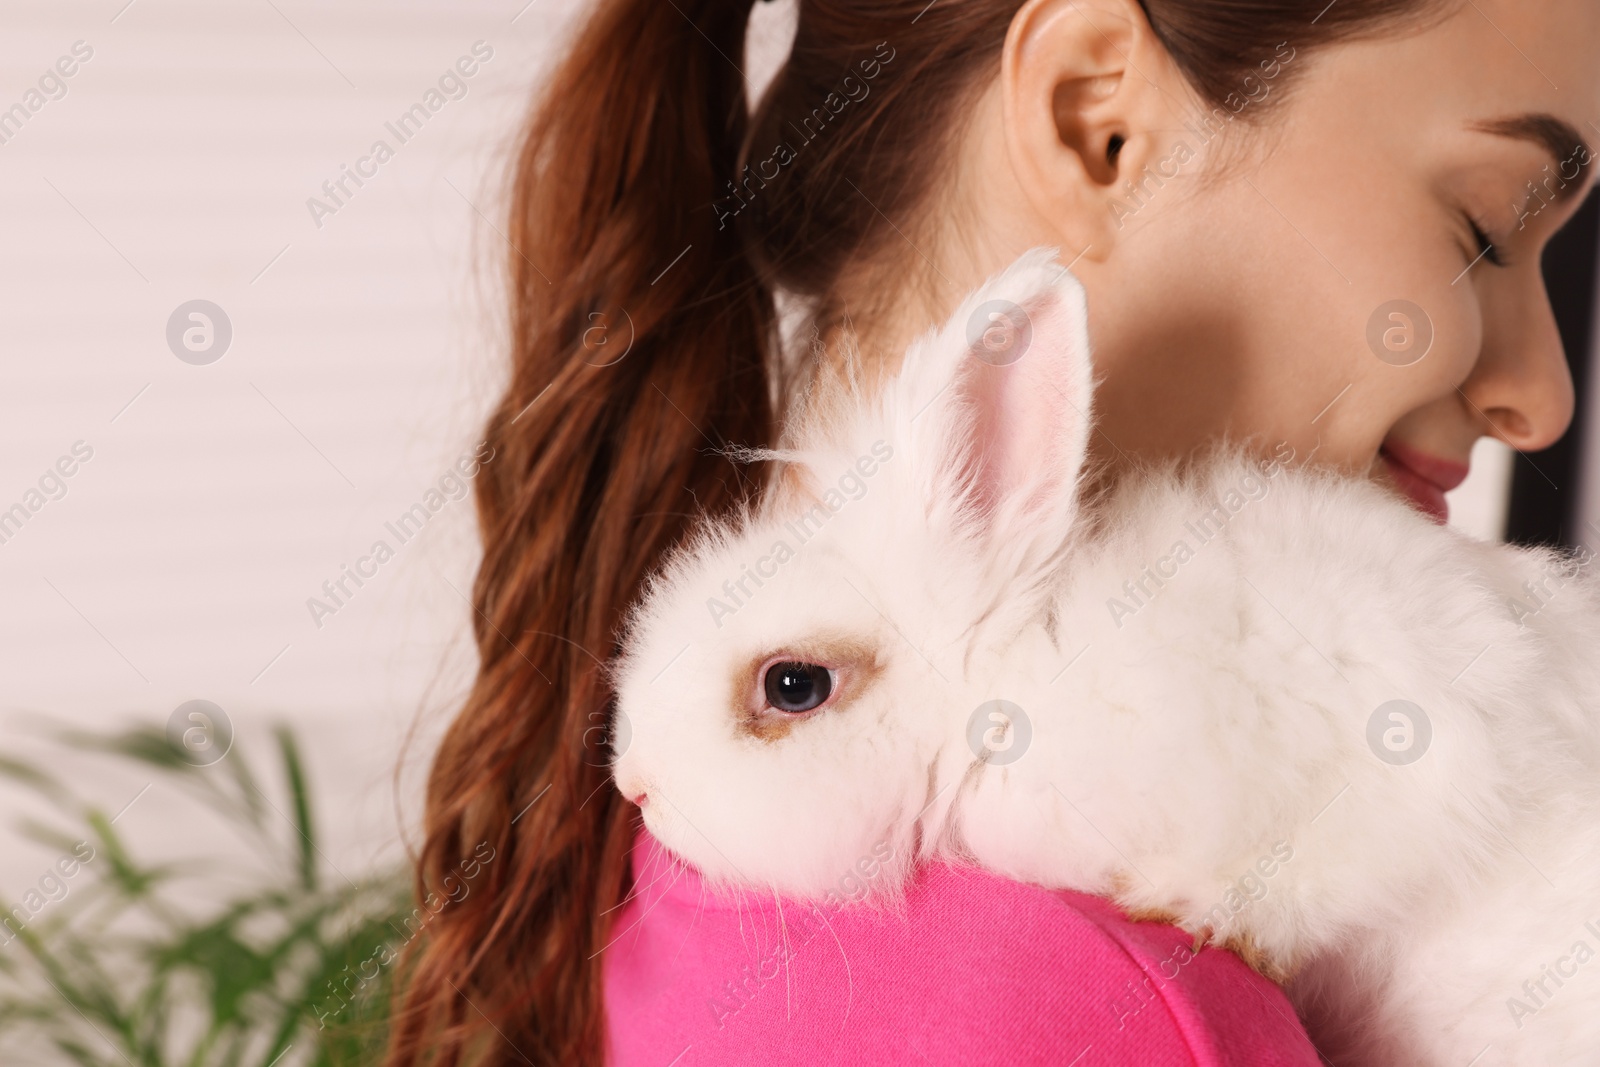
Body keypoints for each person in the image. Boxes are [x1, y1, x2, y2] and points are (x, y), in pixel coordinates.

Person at [384, 0, 1600, 1063]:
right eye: (1482, 230)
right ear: (1095, 121)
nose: (1544, 398)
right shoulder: (1087, 1001)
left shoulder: (694, 885)